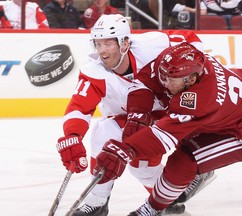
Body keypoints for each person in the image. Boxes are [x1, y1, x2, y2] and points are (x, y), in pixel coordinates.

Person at [55, 14, 214, 216]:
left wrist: (202, 76)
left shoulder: (153, 46)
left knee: (144, 164)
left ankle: (177, 186)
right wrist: (72, 136)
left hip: (170, 116)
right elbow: (79, 107)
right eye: (98, 44)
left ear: (125, 43)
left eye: (108, 43)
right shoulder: (93, 71)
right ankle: (98, 202)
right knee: (110, 137)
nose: (102, 51)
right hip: (132, 121)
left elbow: (189, 39)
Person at [92, 42, 242, 215]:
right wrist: (138, 114)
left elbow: (162, 138)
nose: (165, 83)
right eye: (164, 76)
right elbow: (146, 82)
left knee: (185, 160)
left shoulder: (199, 100)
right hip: (228, 108)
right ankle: (200, 170)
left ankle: (152, 209)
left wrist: (125, 150)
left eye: (171, 79)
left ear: (191, 79)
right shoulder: (172, 61)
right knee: (183, 131)